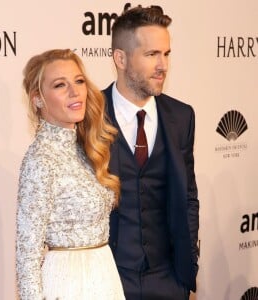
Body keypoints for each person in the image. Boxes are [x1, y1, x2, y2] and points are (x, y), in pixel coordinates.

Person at [103, 5, 199, 300]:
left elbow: (188, 196)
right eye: (151, 54)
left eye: (166, 54)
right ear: (121, 58)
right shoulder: (89, 118)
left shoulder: (181, 116)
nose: (163, 65)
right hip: (109, 279)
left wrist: (187, 266)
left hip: (168, 280)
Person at [16, 49, 125, 300]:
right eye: (59, 85)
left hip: (104, 274)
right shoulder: (40, 159)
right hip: (68, 284)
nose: (75, 92)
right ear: (38, 99)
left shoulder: (88, 147)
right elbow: (27, 253)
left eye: (79, 81)